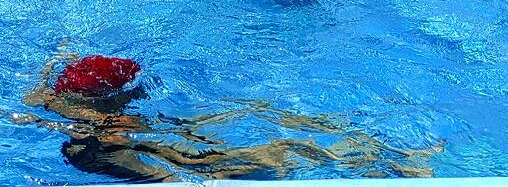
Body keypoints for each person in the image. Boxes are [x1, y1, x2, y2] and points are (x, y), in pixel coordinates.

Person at [13, 44, 441, 182]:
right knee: (227, 163)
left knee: (244, 124)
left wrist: (58, 61)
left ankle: (376, 158)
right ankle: (383, 163)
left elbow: (31, 103)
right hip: (110, 150)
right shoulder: (107, 124)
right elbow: (130, 142)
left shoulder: (50, 98)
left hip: (110, 141)